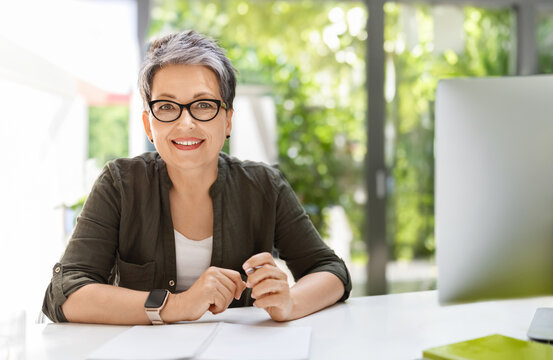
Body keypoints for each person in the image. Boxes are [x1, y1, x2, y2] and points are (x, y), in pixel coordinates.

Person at [42, 30, 351, 325]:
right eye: (166, 106)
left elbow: (331, 271)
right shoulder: (119, 184)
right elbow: (64, 292)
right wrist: (177, 305)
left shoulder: (264, 186)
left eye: (203, 105)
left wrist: (290, 303)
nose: (185, 122)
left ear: (228, 120)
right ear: (149, 126)